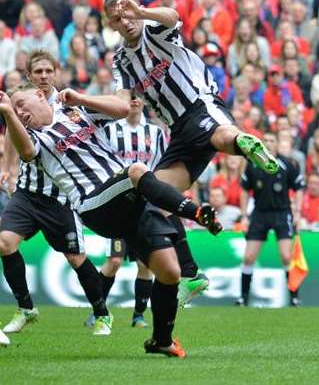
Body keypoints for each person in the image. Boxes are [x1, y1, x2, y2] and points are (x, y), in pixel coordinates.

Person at [1, 83, 221, 357]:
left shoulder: (75, 111)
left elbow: (121, 108)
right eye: (15, 109)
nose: (20, 112)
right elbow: (26, 152)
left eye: (21, 104)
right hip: (94, 204)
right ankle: (196, 213)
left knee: (169, 272)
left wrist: (81, 97)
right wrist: (9, 113)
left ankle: (161, 341)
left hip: (129, 204)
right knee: (137, 170)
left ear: (39, 95)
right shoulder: (35, 136)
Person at [104, 0, 279, 307]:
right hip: (178, 133)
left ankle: (243, 142)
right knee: (154, 198)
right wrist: (83, 102)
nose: (125, 21)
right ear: (111, 24)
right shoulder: (121, 62)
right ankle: (191, 273)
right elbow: (119, 102)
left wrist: (141, 11)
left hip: (200, 104)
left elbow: (173, 16)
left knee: (219, 135)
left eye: (127, 12)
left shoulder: (154, 29)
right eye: (118, 18)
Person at [0, 52, 110, 337]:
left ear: (56, 73)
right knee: (5, 243)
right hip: (27, 193)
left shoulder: (69, 104)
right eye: (38, 71)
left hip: (60, 198)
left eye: (49, 70)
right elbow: (14, 138)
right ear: (30, 77)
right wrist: (9, 169)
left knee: (76, 259)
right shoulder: (22, 103)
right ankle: (26, 308)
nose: (45, 75)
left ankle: (101, 312)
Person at [85, 92, 168, 329]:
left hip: (146, 204)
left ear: (143, 101)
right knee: (114, 261)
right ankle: (98, 311)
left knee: (145, 264)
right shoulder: (110, 130)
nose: (134, 100)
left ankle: (138, 315)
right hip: (119, 202)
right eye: (129, 96)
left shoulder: (156, 133)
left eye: (138, 96)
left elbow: (162, 166)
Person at [237, 132, 305, 306]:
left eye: (271, 140)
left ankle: (294, 296)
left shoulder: (288, 164)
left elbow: (298, 187)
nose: (268, 143)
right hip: (259, 213)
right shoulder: (253, 164)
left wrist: (297, 211)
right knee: (249, 256)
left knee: (285, 255)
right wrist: (244, 215)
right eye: (265, 140)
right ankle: (243, 297)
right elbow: (244, 189)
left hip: (282, 212)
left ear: (277, 143)